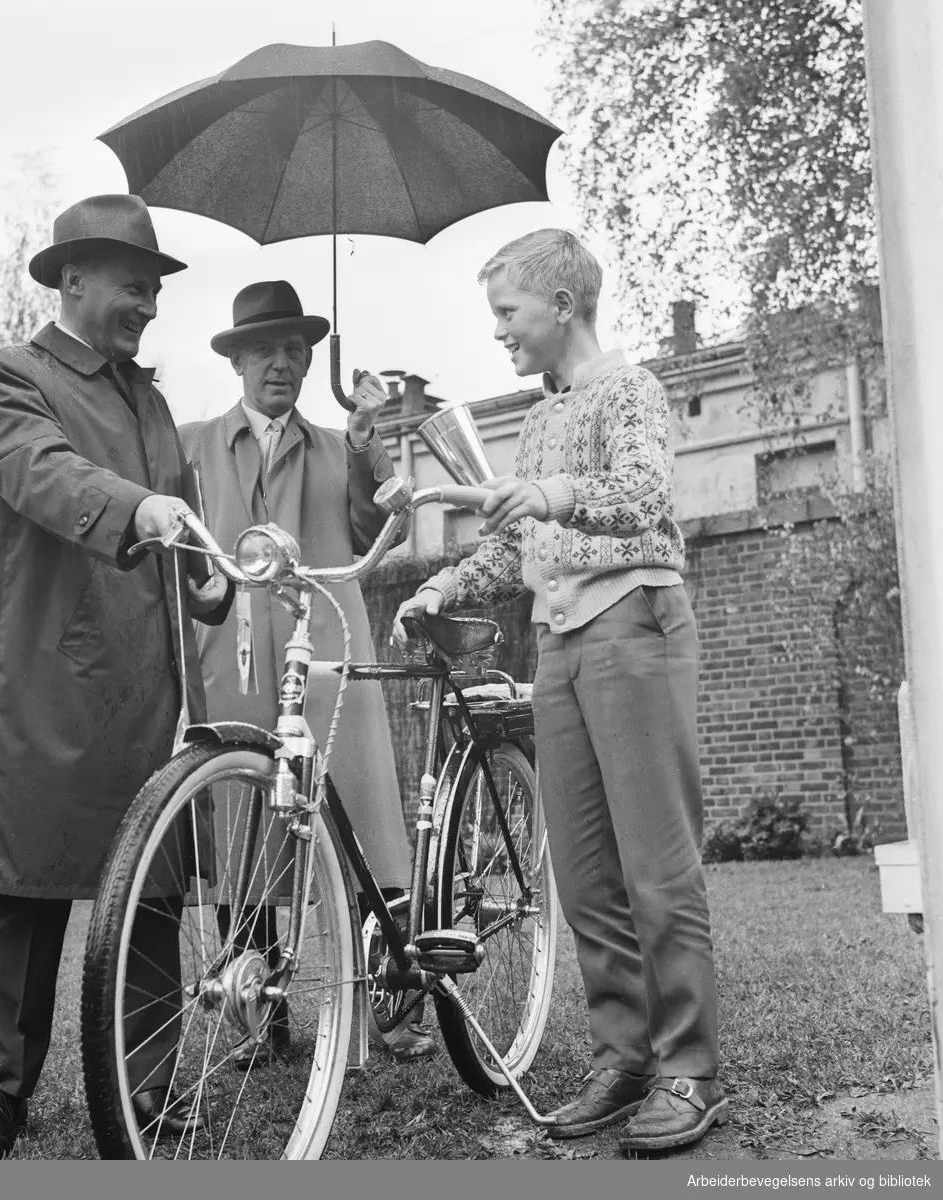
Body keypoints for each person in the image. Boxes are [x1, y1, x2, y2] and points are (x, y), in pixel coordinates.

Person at [393, 230, 725, 1153]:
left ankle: (689, 1070)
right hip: (560, 643)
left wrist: (548, 492)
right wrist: (442, 588)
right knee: (580, 874)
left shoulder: (631, 390)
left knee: (656, 866)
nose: (498, 331)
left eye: (508, 312)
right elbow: (516, 540)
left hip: (633, 625)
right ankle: (623, 1059)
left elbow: (644, 496)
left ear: (563, 306)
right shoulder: (537, 418)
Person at [0, 194, 232, 1157]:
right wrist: (141, 510)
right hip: (40, 685)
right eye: (132, 284)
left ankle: (146, 1082)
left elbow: (185, 523)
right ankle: (3, 1091)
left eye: (154, 288)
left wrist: (210, 579)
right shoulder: (6, 379)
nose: (148, 302)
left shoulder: (151, 402)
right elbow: (41, 471)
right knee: (25, 895)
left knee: (149, 891)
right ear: (73, 279)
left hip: (144, 693)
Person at [180, 279, 436, 1065]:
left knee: (362, 821)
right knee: (247, 829)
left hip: (328, 653)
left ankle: (393, 1003)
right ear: (237, 361)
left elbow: (378, 526)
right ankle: (259, 1010)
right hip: (233, 659)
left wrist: (369, 440)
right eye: (265, 351)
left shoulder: (338, 446)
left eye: (296, 350)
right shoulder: (190, 444)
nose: (281, 365)